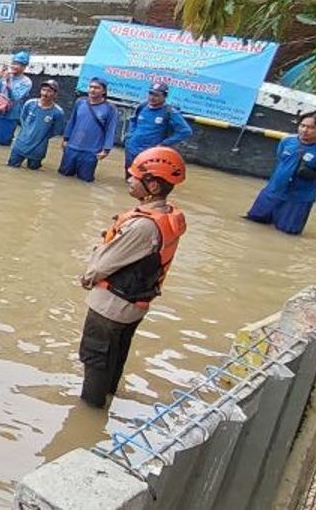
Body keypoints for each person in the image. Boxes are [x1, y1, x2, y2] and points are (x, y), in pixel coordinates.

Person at [78, 147, 187, 408]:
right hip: (133, 305)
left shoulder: (143, 225)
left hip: (111, 306)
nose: (129, 180)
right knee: (114, 355)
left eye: (135, 176)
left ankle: (89, 412)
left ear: (152, 184)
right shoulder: (165, 216)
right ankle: (107, 399)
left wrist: (88, 275)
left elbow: (101, 267)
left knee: (95, 358)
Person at [245, 110, 316, 235]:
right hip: (272, 193)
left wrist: (312, 176)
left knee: (287, 235)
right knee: (251, 225)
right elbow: (280, 160)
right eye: (303, 126)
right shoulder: (287, 140)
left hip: (298, 200)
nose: (305, 130)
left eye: (311, 127)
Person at [123, 82, 192, 174]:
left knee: (145, 178)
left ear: (165, 96)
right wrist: (130, 135)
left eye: (156, 95)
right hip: (132, 148)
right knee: (130, 177)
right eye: (150, 94)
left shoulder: (170, 111)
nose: (152, 97)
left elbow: (185, 131)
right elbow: (133, 120)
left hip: (151, 153)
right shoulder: (142, 106)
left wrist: (164, 143)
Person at [59, 77, 118, 183]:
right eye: (90, 87)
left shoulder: (110, 108)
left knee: (84, 181)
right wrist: (65, 138)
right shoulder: (80, 102)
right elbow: (72, 121)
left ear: (104, 91)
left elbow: (110, 130)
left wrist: (106, 149)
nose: (92, 90)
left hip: (91, 152)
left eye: (96, 88)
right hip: (72, 147)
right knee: (62, 177)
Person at [9, 80, 65, 170]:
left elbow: (57, 130)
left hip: (38, 148)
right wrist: (27, 132)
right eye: (43, 90)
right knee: (11, 168)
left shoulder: (58, 112)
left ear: (55, 94)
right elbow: (22, 118)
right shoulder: (30, 104)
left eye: (49, 91)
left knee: (33, 172)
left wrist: (42, 135)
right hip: (20, 144)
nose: (45, 93)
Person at [0, 51, 34, 146]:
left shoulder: (26, 82)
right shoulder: (4, 76)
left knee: (3, 142)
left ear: (24, 66)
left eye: (18, 64)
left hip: (9, 116)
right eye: (14, 63)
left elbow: (15, 97)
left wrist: (8, 81)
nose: (14, 66)